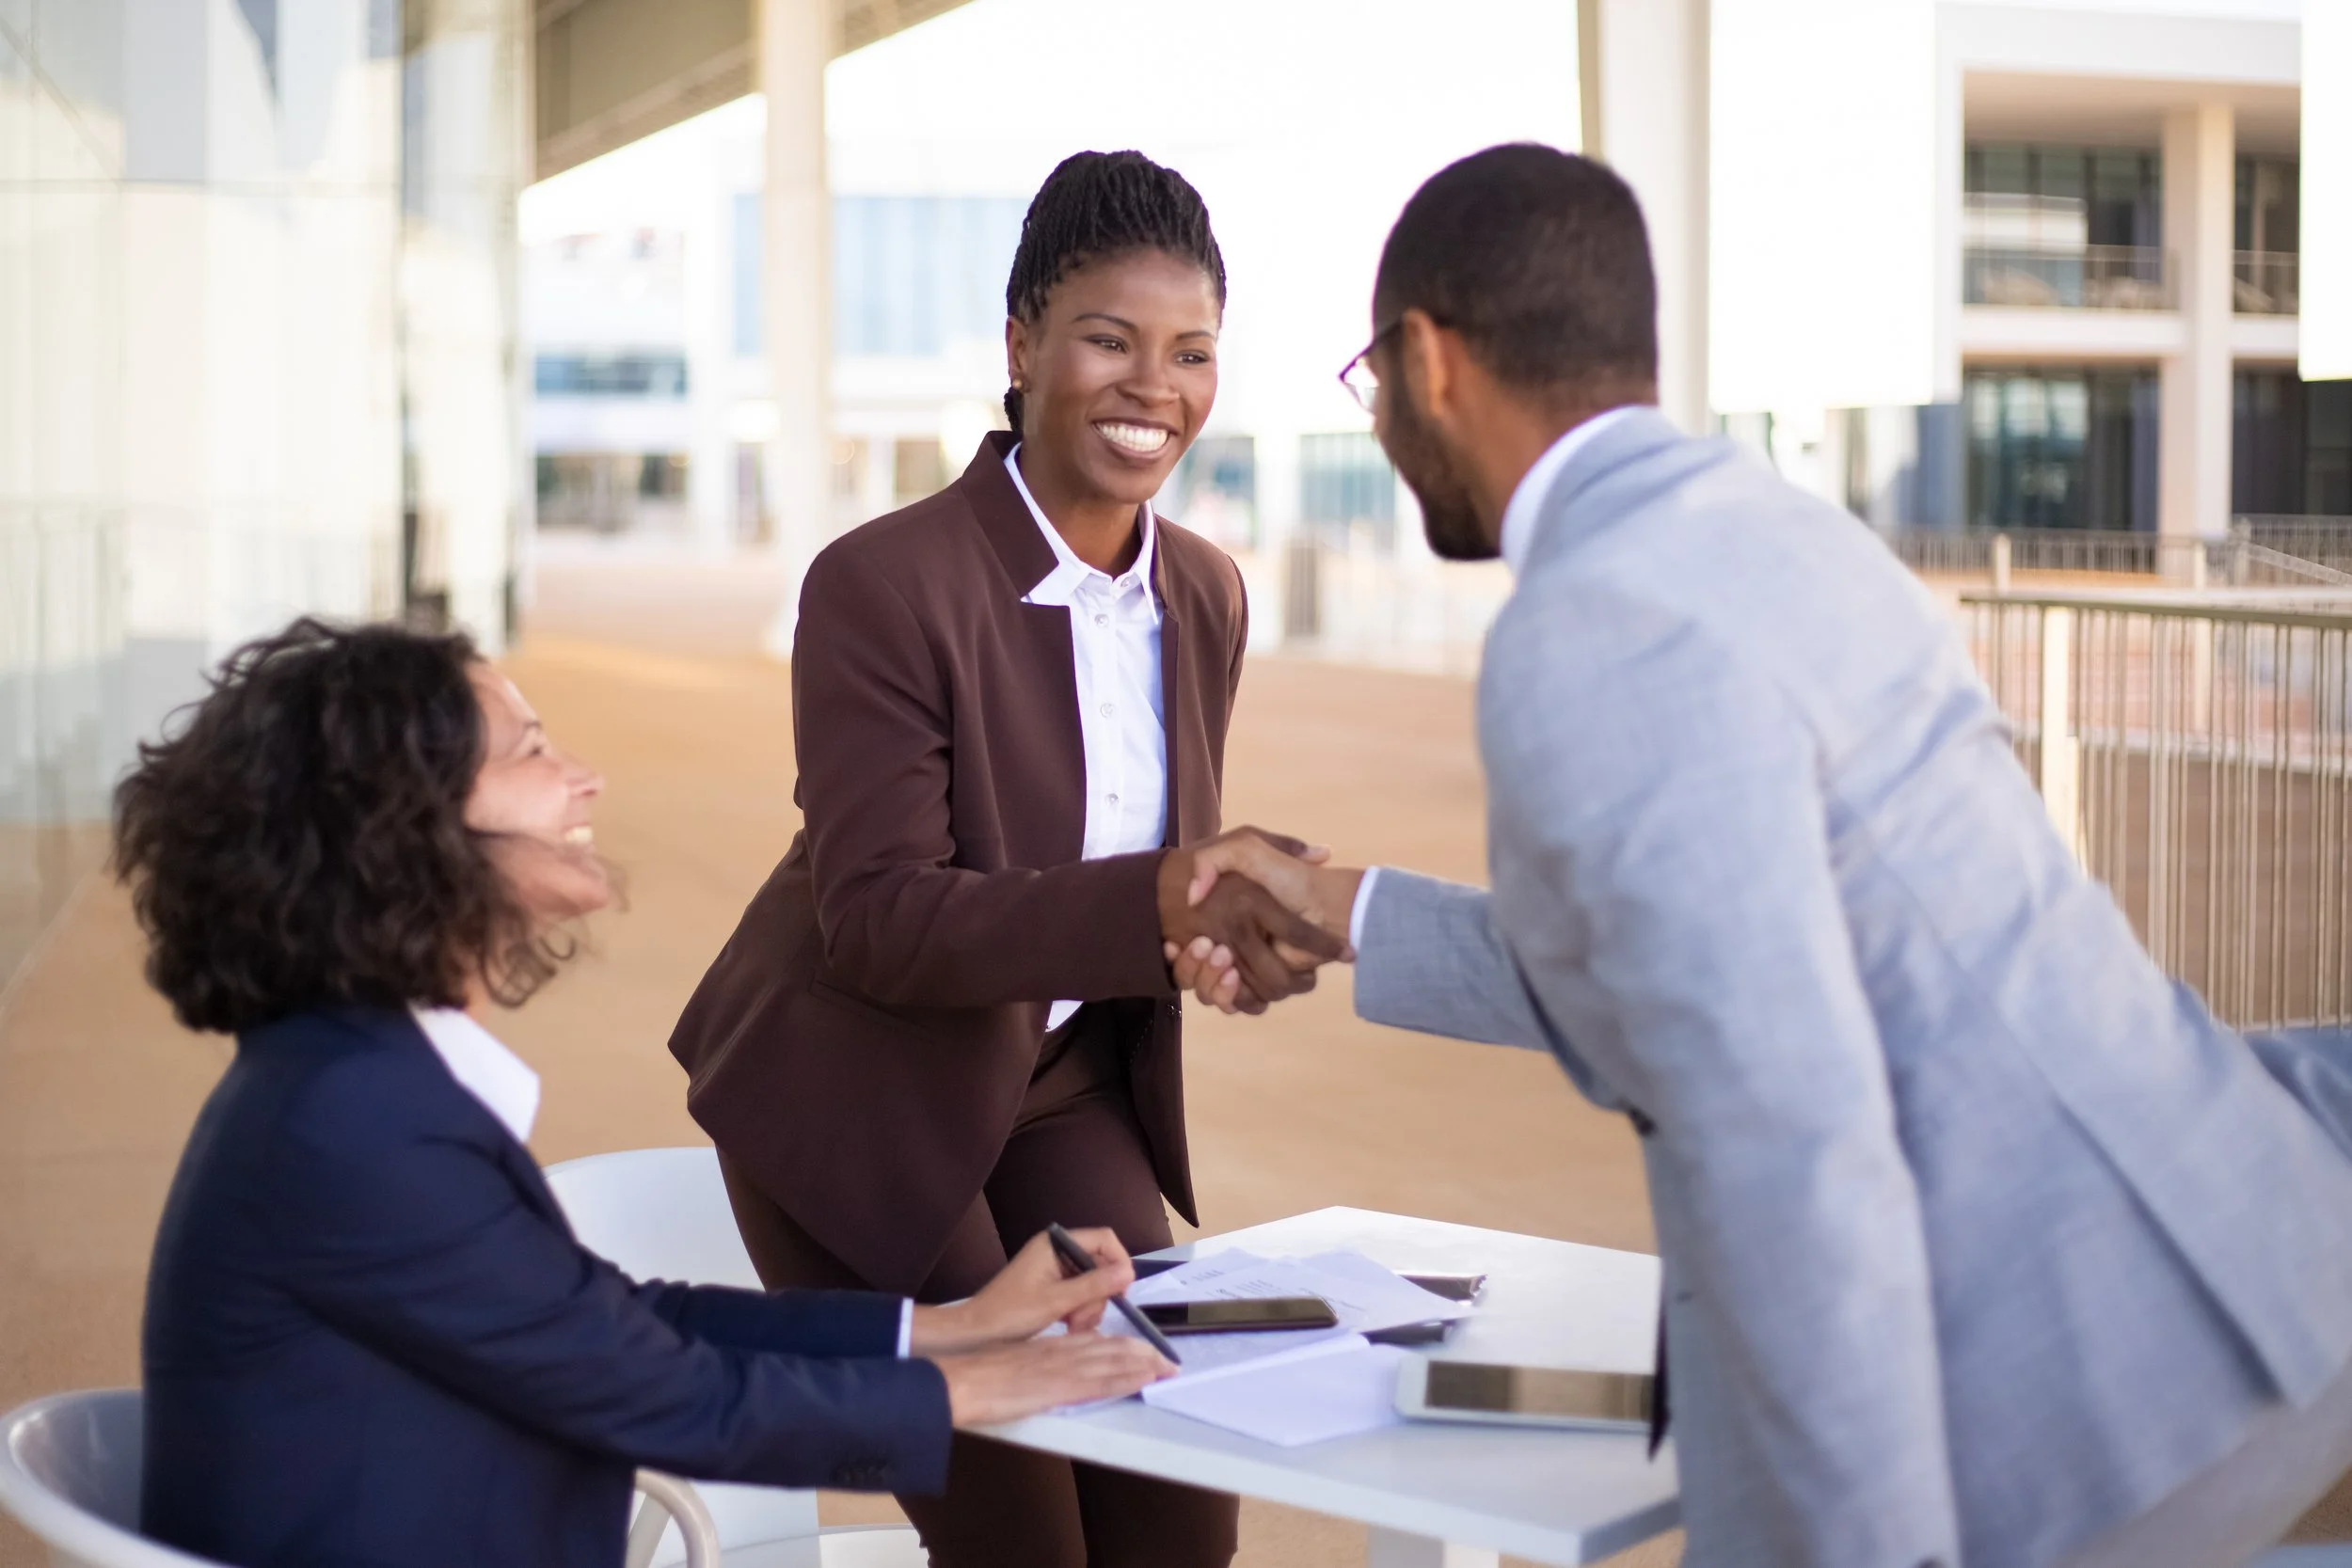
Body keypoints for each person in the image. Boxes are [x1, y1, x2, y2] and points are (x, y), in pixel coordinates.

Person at [1171, 144, 2352, 1568]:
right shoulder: (1783, 537)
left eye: (1371, 384)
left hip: (2079, 1397)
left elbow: (1785, 1134)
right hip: (2225, 1248)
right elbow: (1694, 957)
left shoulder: (1592, 624)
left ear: (1429, 362)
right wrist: (1347, 907)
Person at [121, 618, 1174, 1568]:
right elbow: (662, 1393)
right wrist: (976, 1388)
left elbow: (612, 1321)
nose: (585, 777)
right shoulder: (362, 1126)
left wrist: (951, 1327)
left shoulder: (350, 1077)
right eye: (531, 751)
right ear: (396, 825)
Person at [666, 150, 1337, 1568]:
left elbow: (1120, 873)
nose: (1153, 384)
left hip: (1060, 1079)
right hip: (856, 1081)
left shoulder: (1205, 593)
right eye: (1109, 338)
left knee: (1175, 1495)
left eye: (1192, 351)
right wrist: (1160, 898)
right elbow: (881, 921)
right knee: (1022, 1536)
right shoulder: (881, 582)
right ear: (1024, 345)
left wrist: (1217, 933)